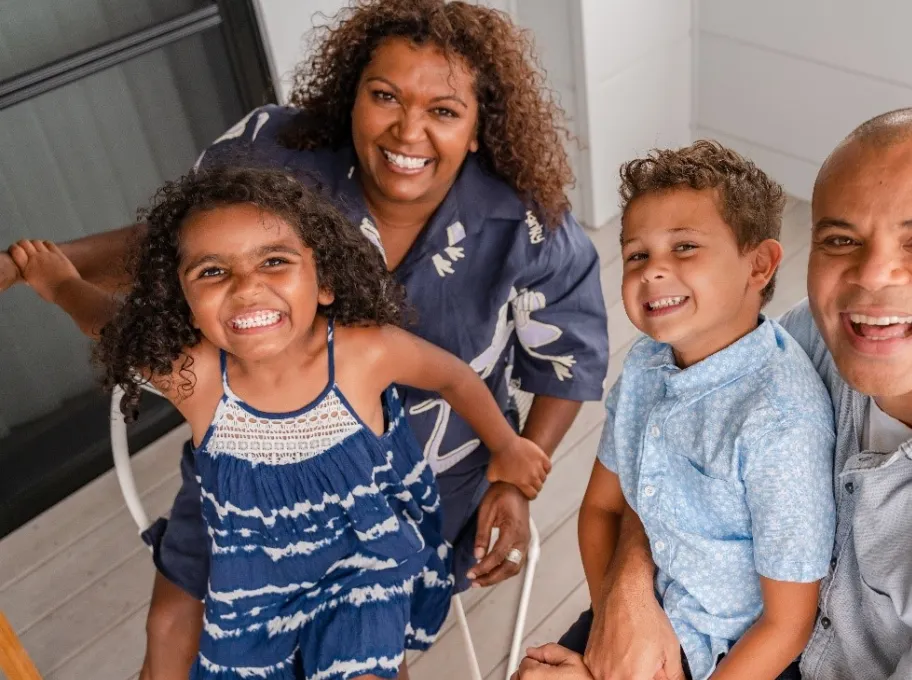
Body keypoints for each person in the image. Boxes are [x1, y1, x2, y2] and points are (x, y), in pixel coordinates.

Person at [2, 1, 609, 677]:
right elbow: (178, 245)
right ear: (352, 94)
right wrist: (46, 268)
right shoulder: (274, 157)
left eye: (443, 110)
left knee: (361, 644)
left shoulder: (522, 227)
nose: (408, 130)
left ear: (478, 128)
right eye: (384, 96)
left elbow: (562, 362)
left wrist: (514, 476)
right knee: (179, 631)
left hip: (419, 491)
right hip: (246, 492)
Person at [516, 108, 912, 680]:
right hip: (695, 626)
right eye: (842, 240)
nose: (873, 277)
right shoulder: (817, 339)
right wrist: (628, 596)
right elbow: (671, 458)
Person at [11, 166, 555, 679]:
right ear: (184, 302)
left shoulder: (364, 353)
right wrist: (57, 280)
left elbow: (455, 377)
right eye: (213, 271)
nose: (246, 286)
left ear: (323, 281)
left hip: (361, 561)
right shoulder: (195, 377)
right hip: (257, 582)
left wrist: (506, 444)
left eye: (274, 261)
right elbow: (107, 325)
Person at [554, 141, 835, 680]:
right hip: (639, 615)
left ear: (759, 265)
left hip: (737, 659)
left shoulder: (779, 422)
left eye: (684, 248)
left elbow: (786, 626)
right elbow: (600, 511)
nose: (653, 271)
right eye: (637, 254)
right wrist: (613, 632)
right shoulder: (644, 367)